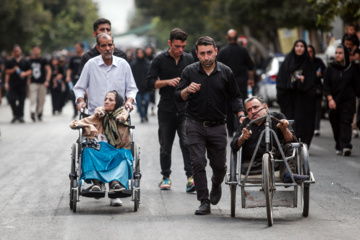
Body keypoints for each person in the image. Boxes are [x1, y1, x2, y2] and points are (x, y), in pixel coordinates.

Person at [175, 36, 245, 215]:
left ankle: (216, 184)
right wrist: (186, 90)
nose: (206, 57)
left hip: (218, 126)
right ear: (197, 54)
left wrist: (241, 115)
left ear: (216, 52)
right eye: (202, 53)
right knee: (197, 163)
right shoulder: (189, 71)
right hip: (194, 124)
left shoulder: (225, 72)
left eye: (209, 53)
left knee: (220, 166)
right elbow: (178, 96)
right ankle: (204, 201)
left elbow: (235, 96)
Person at [74, 33, 138, 207]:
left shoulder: (123, 65)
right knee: (94, 148)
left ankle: (115, 187)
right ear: (99, 47)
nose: (108, 48)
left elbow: (132, 89)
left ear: (113, 45)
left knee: (119, 150)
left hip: (118, 116)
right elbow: (79, 88)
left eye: (110, 45)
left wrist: (129, 102)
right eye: (104, 45)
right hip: (96, 115)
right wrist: (80, 101)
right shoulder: (91, 65)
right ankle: (96, 182)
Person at [146, 28, 195, 192]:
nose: (180, 50)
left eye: (183, 46)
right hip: (166, 108)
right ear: (169, 43)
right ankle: (166, 177)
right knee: (165, 146)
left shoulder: (189, 58)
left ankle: (191, 177)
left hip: (185, 109)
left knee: (187, 143)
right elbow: (150, 83)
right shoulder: (159, 60)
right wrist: (167, 82)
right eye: (176, 46)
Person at [230, 96, 309, 183]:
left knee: (290, 147)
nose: (253, 111)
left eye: (255, 107)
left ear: (265, 107)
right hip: (253, 165)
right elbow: (233, 146)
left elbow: (293, 142)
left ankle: (288, 176)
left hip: (276, 162)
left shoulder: (277, 117)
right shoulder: (246, 123)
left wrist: (284, 129)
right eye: (249, 110)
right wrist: (242, 138)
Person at [69, 90, 133, 195]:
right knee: (87, 151)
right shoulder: (99, 115)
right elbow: (73, 124)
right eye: (105, 99)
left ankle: (115, 182)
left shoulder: (122, 118)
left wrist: (124, 116)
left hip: (115, 150)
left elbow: (126, 143)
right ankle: (96, 184)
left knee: (125, 154)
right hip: (100, 149)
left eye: (110, 100)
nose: (106, 102)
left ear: (117, 103)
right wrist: (89, 125)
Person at [276, 40, 317, 147]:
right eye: (297, 46)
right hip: (289, 100)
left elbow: (313, 83)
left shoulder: (309, 65)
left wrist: (304, 82)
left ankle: (304, 144)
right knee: (289, 121)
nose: (299, 48)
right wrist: (291, 83)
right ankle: (289, 142)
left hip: (304, 101)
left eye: (302, 46)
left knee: (304, 123)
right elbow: (281, 81)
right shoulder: (287, 63)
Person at [323, 45, 360, 156]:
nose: (337, 55)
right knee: (335, 124)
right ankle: (339, 145)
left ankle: (346, 145)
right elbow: (326, 85)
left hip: (348, 102)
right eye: (336, 53)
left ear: (345, 55)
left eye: (340, 53)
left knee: (346, 122)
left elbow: (357, 85)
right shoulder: (330, 68)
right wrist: (330, 99)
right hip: (334, 101)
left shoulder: (351, 68)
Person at [217, 29, 255, 137]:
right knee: (241, 105)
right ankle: (241, 127)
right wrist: (251, 79)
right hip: (241, 82)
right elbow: (251, 67)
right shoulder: (243, 50)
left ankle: (230, 129)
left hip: (226, 82)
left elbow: (217, 67)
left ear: (227, 38)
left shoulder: (223, 51)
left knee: (228, 106)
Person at [4, 45, 32, 123]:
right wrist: (6, 83)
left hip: (22, 84)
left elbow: (30, 71)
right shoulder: (10, 61)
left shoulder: (25, 61)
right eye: (15, 51)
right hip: (12, 83)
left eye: (18, 50)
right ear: (13, 52)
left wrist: (24, 73)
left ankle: (20, 116)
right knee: (11, 99)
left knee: (21, 100)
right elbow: (6, 72)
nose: (17, 52)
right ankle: (15, 114)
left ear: (20, 51)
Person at [28, 45, 52, 122]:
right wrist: (28, 82)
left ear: (40, 50)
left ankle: (39, 112)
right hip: (33, 82)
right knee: (33, 98)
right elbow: (28, 72)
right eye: (34, 50)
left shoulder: (43, 60)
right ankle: (32, 111)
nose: (35, 52)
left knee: (42, 99)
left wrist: (47, 80)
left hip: (42, 82)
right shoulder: (29, 61)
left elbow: (49, 70)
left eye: (37, 50)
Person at [307, 45, 326, 136]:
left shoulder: (318, 61)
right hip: (306, 90)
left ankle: (317, 128)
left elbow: (324, 73)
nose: (309, 53)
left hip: (317, 89)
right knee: (308, 109)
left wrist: (320, 74)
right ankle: (309, 127)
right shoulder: (303, 62)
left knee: (318, 109)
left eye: (311, 51)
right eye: (307, 51)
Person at [131, 48, 151, 123]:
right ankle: (142, 116)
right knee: (138, 103)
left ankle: (145, 114)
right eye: (138, 53)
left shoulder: (148, 63)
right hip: (137, 87)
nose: (140, 54)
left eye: (141, 53)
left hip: (146, 87)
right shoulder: (134, 64)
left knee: (146, 101)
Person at [66, 42, 84, 119]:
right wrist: (68, 76)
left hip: (83, 80)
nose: (76, 49)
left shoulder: (86, 57)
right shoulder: (73, 58)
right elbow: (69, 69)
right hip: (74, 80)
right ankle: (75, 111)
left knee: (84, 96)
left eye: (77, 47)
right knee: (73, 96)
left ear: (82, 48)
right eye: (75, 48)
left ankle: (84, 111)